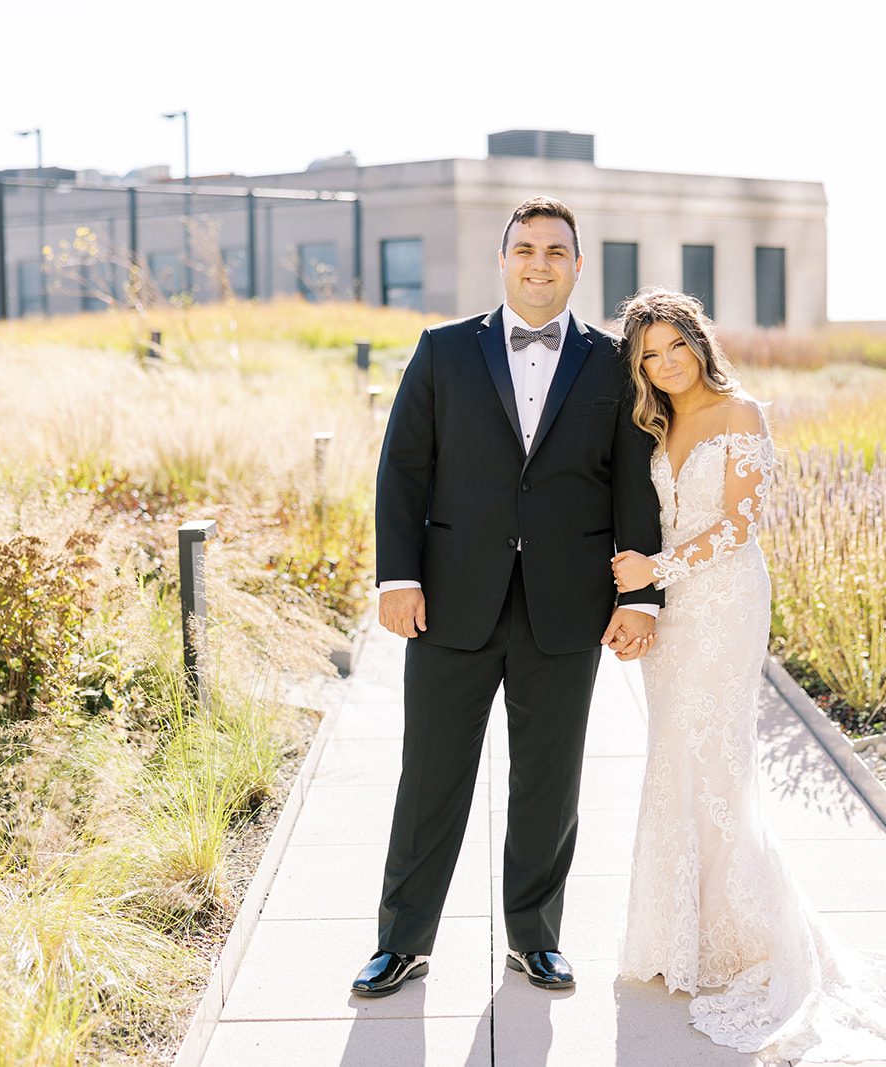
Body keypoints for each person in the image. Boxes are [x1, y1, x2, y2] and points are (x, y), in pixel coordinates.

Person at [608, 288, 886, 1060]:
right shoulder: (656, 420)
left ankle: (746, 939)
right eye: (649, 354)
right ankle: (674, 936)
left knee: (718, 761)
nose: (666, 362)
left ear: (698, 340)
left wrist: (658, 567)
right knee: (672, 758)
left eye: (674, 344)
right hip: (674, 611)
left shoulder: (742, 411)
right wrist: (644, 589)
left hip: (724, 600)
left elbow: (742, 522)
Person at [353, 198, 665, 998]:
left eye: (555, 251)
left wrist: (644, 597)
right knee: (429, 776)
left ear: (577, 266)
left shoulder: (612, 361)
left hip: (567, 603)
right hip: (452, 599)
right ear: (503, 260)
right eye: (524, 248)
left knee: (549, 782)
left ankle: (535, 937)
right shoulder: (443, 349)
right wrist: (398, 577)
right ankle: (402, 941)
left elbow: (634, 485)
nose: (538, 263)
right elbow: (402, 469)